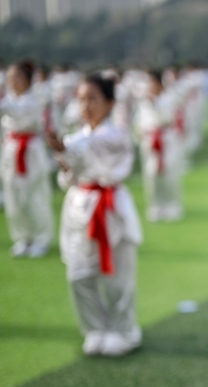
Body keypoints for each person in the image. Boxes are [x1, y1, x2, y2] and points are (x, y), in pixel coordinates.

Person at [46, 74, 143, 357]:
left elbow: (91, 151)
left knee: (117, 277)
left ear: (109, 103)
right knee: (79, 274)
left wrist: (65, 150)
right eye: (81, 99)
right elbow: (68, 174)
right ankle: (96, 329)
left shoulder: (116, 135)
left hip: (111, 207)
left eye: (92, 99)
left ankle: (125, 331)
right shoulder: (76, 138)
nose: (85, 105)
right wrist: (65, 155)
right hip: (79, 207)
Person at [1, 59, 54, 258]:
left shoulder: (35, 98)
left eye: (16, 77)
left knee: (34, 195)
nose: (12, 81)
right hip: (11, 149)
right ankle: (23, 237)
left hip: (30, 149)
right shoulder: (9, 99)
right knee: (13, 195)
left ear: (27, 79)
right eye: (9, 78)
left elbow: (15, 110)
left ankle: (41, 238)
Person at [134, 69, 187, 222]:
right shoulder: (144, 102)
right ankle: (155, 206)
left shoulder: (169, 99)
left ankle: (173, 206)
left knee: (169, 174)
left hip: (166, 140)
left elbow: (169, 119)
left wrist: (155, 105)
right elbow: (139, 122)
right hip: (150, 142)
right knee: (151, 176)